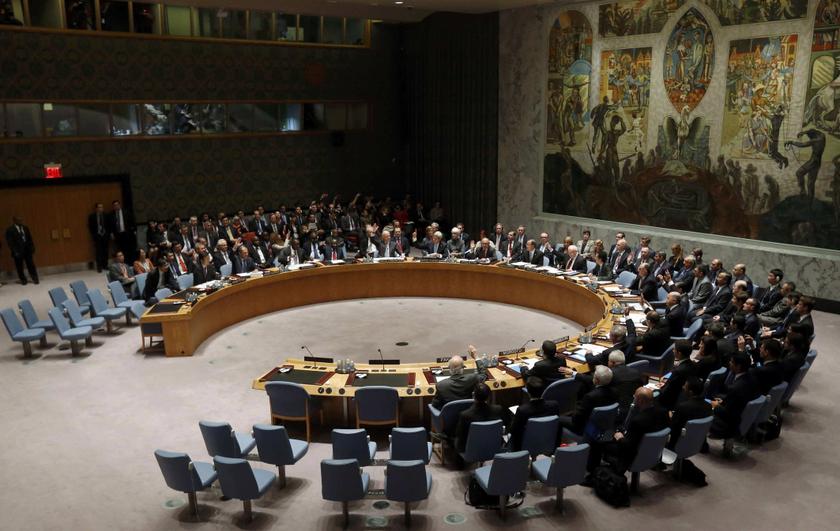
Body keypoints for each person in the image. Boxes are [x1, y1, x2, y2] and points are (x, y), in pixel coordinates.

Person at [603, 387, 668, 473]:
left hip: (635, 455)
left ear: (640, 401)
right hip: (655, 452)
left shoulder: (638, 421)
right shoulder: (663, 412)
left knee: (603, 442)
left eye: (635, 397)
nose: (633, 399)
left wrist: (619, 437)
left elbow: (628, 446)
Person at [709, 353, 761, 439]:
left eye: (731, 362)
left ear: (738, 366)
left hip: (730, 425)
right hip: (741, 416)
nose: (729, 363)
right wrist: (724, 401)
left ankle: (702, 445)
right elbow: (738, 401)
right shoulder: (753, 378)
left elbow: (727, 414)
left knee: (701, 410)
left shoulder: (735, 388)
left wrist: (716, 405)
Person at [454, 383, 510, 453]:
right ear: (489, 396)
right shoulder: (498, 409)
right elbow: (507, 426)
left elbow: (460, 436)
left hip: (472, 450)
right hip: (494, 446)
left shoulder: (465, 415)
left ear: (473, 395)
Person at [510, 377, 561, 452]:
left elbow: (514, 431)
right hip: (548, 441)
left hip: (525, 447)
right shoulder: (554, 405)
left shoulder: (522, 410)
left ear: (527, 391)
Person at [667, 377, 712, 450]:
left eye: (685, 386)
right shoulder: (708, 406)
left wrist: (670, 417)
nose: (683, 387)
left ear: (690, 392)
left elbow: (672, 429)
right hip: (697, 441)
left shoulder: (683, 407)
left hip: (678, 443)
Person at [658, 340, 697, 410]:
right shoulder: (693, 364)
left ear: (679, 353)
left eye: (674, 349)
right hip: (684, 395)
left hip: (672, 400)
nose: (673, 350)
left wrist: (660, 389)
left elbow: (667, 391)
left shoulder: (678, 371)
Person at [5, 216, 39, 285]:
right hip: (18, 251)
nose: (20, 221)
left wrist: (32, 248)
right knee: (19, 266)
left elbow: (30, 239)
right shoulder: (10, 230)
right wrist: (15, 251)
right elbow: (10, 242)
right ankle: (23, 279)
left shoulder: (25, 228)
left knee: (31, 264)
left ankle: (35, 278)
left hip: (27, 250)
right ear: (14, 221)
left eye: (21, 220)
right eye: (19, 220)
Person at [88, 202, 110, 273]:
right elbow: (90, 227)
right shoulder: (92, 216)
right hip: (97, 236)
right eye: (99, 207)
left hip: (105, 235)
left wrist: (108, 234)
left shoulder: (106, 215)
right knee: (98, 252)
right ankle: (99, 266)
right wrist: (94, 234)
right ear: (96, 208)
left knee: (105, 251)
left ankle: (105, 265)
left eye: (102, 207)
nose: (101, 209)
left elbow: (109, 226)